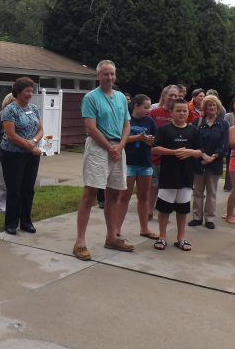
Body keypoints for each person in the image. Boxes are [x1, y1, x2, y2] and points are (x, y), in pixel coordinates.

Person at [72, 61, 132, 261]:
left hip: (118, 148)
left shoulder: (122, 97)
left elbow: (126, 125)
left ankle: (112, 237)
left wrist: (121, 146)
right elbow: (90, 128)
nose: (109, 77)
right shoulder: (91, 98)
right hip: (99, 149)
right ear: (98, 76)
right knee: (90, 194)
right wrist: (110, 148)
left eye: (112, 74)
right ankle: (80, 243)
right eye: (105, 74)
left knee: (114, 194)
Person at [150, 99, 202, 250]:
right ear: (171, 112)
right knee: (164, 209)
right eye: (178, 110)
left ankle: (181, 238)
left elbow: (200, 152)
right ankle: (162, 237)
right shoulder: (165, 129)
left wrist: (189, 152)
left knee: (183, 209)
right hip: (168, 175)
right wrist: (174, 152)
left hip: (186, 176)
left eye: (184, 110)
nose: (181, 113)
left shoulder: (193, 131)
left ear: (188, 112)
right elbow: (154, 148)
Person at [1, 77, 44, 235]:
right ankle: (11, 223)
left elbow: (41, 130)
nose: (30, 94)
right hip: (12, 155)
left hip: (32, 155)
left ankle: (26, 222)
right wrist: (29, 146)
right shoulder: (10, 110)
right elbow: (11, 135)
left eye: (31, 91)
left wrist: (33, 142)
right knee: (14, 190)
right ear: (18, 92)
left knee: (28, 189)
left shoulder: (34, 108)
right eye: (27, 91)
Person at [116, 94, 158, 240]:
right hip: (128, 163)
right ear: (135, 106)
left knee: (144, 197)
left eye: (149, 107)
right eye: (145, 107)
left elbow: (156, 140)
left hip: (145, 163)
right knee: (124, 197)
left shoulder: (150, 121)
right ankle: (116, 229)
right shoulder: (126, 120)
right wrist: (139, 138)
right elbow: (121, 139)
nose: (148, 110)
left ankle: (144, 228)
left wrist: (150, 140)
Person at [189, 95, 229, 229]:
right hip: (199, 161)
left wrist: (213, 157)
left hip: (215, 162)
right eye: (209, 105)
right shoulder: (197, 122)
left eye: (214, 105)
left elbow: (224, 144)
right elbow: (194, 142)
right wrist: (203, 155)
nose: (212, 107)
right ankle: (196, 217)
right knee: (198, 192)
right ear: (205, 107)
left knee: (211, 192)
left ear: (218, 108)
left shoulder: (223, 124)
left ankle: (209, 218)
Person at [148, 85, 180, 218]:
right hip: (155, 156)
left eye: (176, 96)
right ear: (164, 96)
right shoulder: (154, 113)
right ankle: (149, 211)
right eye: (171, 95)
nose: (173, 98)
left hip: (172, 157)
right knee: (153, 185)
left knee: (167, 187)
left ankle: (164, 211)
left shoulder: (178, 113)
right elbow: (148, 131)